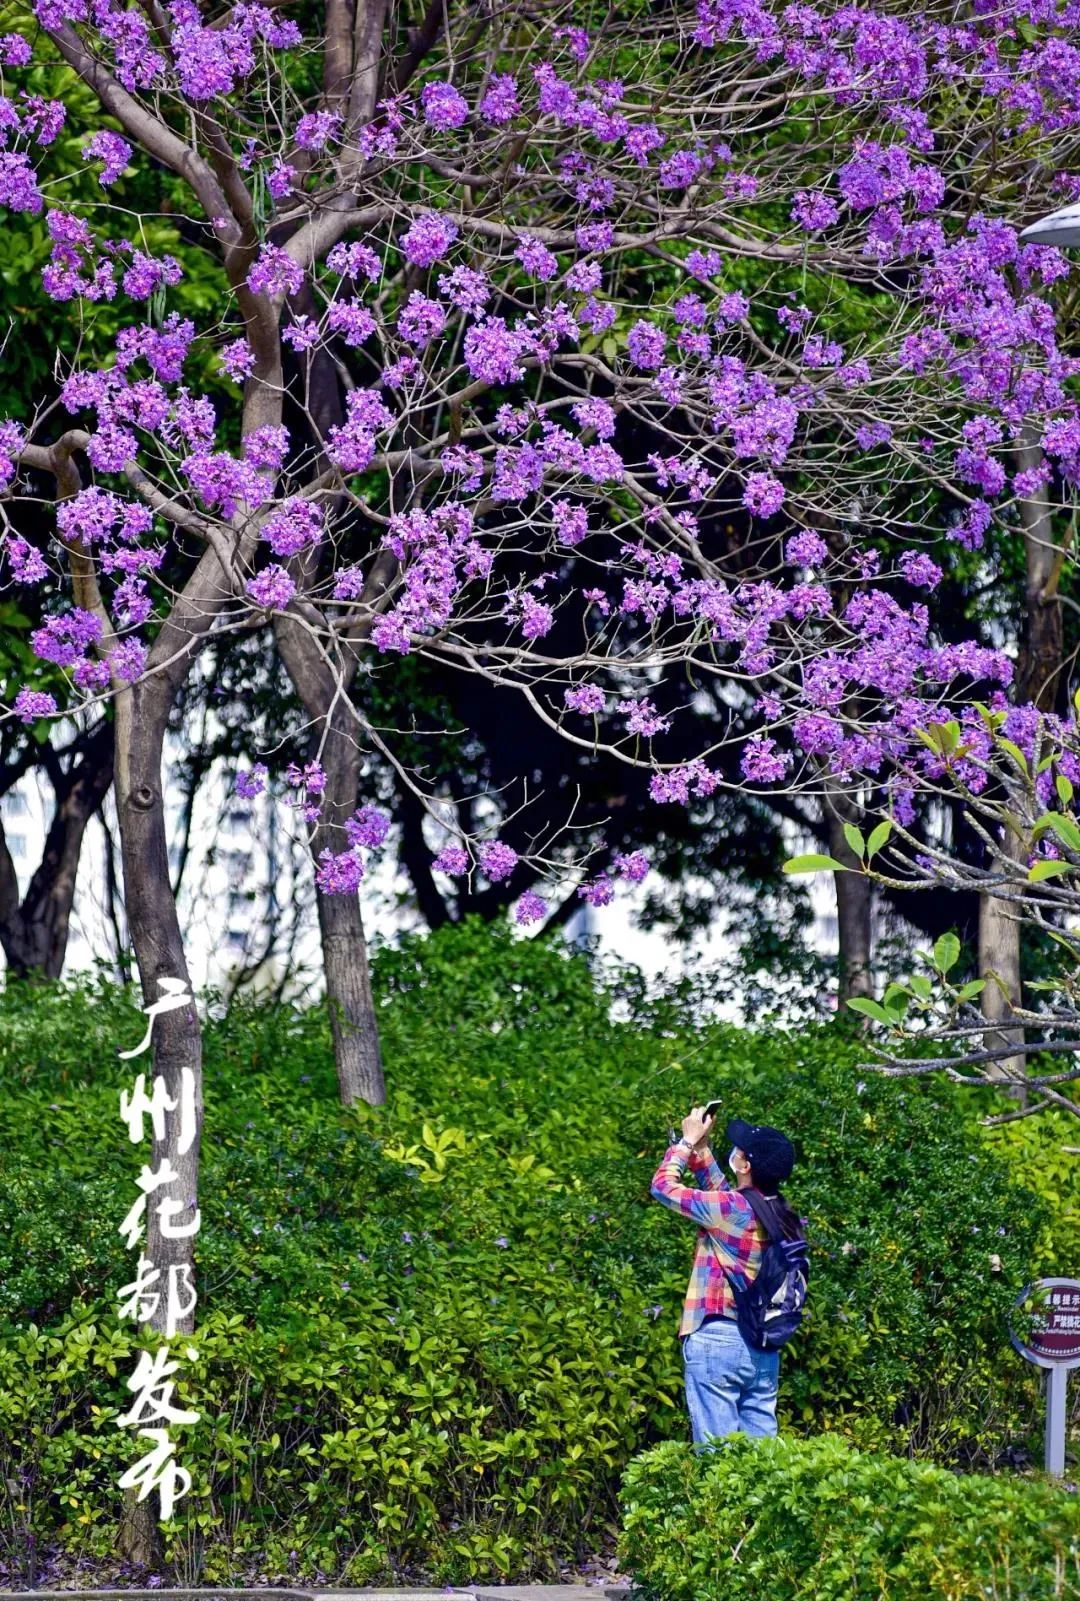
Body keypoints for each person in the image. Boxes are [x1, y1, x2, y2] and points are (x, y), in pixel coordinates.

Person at [650, 1105, 800, 1446]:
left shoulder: (731, 1210)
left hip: (719, 1340)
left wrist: (685, 1143)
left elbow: (662, 1187)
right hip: (763, 1348)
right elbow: (723, 1196)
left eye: (739, 1151)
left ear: (744, 1165)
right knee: (762, 1468)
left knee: (718, 1465)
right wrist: (703, 1151)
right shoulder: (783, 1214)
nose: (734, 1151)